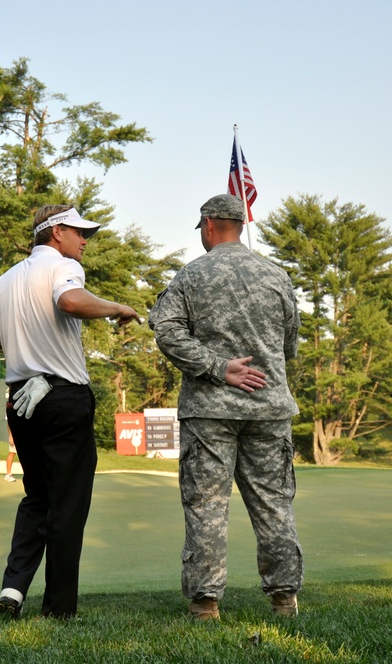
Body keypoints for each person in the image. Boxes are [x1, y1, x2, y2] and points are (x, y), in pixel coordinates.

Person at [0, 204, 141, 620]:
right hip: (63, 399)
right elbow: (69, 301)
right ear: (57, 232)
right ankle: (59, 610)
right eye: (80, 232)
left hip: (21, 403)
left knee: (37, 498)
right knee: (67, 505)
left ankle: (13, 591)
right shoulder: (64, 268)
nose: (85, 240)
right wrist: (118, 307)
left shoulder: (5, 280)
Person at [148, 193, 303, 621]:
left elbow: (167, 333)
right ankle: (284, 600)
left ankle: (205, 604)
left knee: (206, 505)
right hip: (268, 407)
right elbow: (289, 345)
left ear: (209, 226)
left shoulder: (191, 275)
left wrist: (218, 367)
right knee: (274, 504)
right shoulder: (276, 276)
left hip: (209, 410)